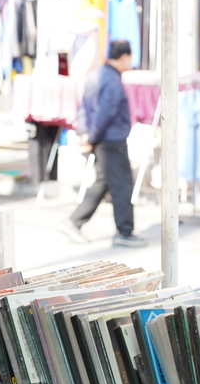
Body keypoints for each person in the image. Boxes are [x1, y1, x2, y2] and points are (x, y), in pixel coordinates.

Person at [58, 39, 147, 248]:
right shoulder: (112, 80)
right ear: (124, 57)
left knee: (104, 182)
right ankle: (124, 231)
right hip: (111, 140)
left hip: (101, 138)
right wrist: (92, 137)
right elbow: (104, 113)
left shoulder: (96, 75)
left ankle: (74, 221)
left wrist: (85, 134)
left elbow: (84, 108)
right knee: (122, 185)